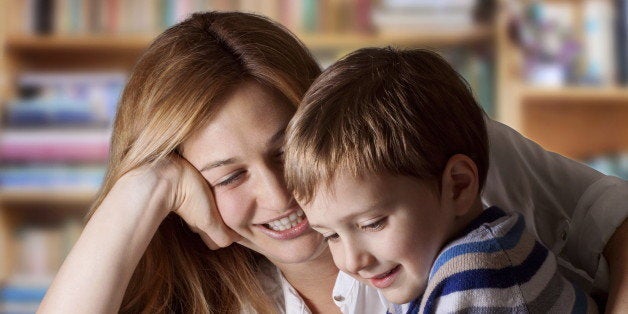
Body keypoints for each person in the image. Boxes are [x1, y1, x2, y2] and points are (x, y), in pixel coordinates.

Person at [37, 11, 627, 314]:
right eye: (230, 176)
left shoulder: (424, 154)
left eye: (284, 150)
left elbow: (619, 220)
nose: (278, 193)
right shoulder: (222, 290)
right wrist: (144, 187)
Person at [284, 47, 599, 313]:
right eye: (331, 236)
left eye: (373, 223)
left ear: (459, 186)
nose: (352, 261)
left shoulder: (478, 278)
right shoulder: (468, 256)